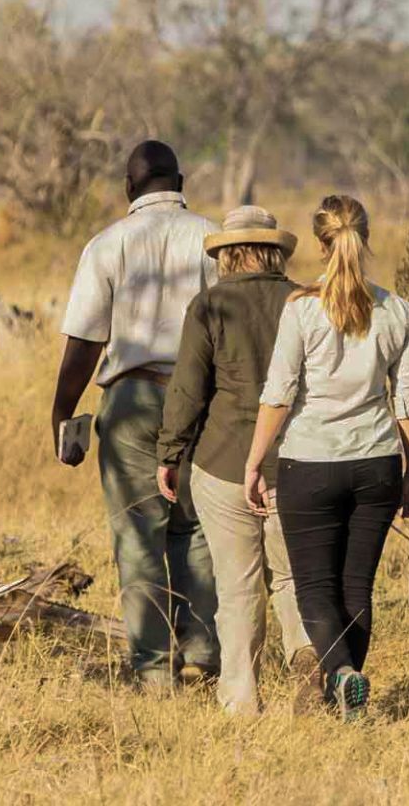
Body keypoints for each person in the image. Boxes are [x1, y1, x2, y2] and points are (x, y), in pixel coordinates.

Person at [242, 194, 409, 719]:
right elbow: (408, 401)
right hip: (377, 464)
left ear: (322, 245)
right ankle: (349, 697)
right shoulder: (398, 311)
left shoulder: (301, 309)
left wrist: (256, 462)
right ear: (364, 240)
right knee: (357, 589)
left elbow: (279, 393)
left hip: (309, 463)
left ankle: (342, 674)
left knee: (315, 590)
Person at [50, 141, 221, 692]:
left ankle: (152, 671)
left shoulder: (106, 244)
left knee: (138, 536)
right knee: (197, 527)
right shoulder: (213, 238)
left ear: (129, 187)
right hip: (202, 399)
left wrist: (63, 411)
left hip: (129, 401)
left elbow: (84, 340)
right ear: (182, 179)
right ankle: (204, 650)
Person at [155, 206, 317, 715]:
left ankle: (242, 698)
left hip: (224, 461)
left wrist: (170, 452)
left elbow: (187, 391)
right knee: (294, 577)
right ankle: (306, 659)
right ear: (274, 250)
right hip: (299, 461)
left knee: (238, 584)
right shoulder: (305, 300)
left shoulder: (209, 306)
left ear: (227, 254)